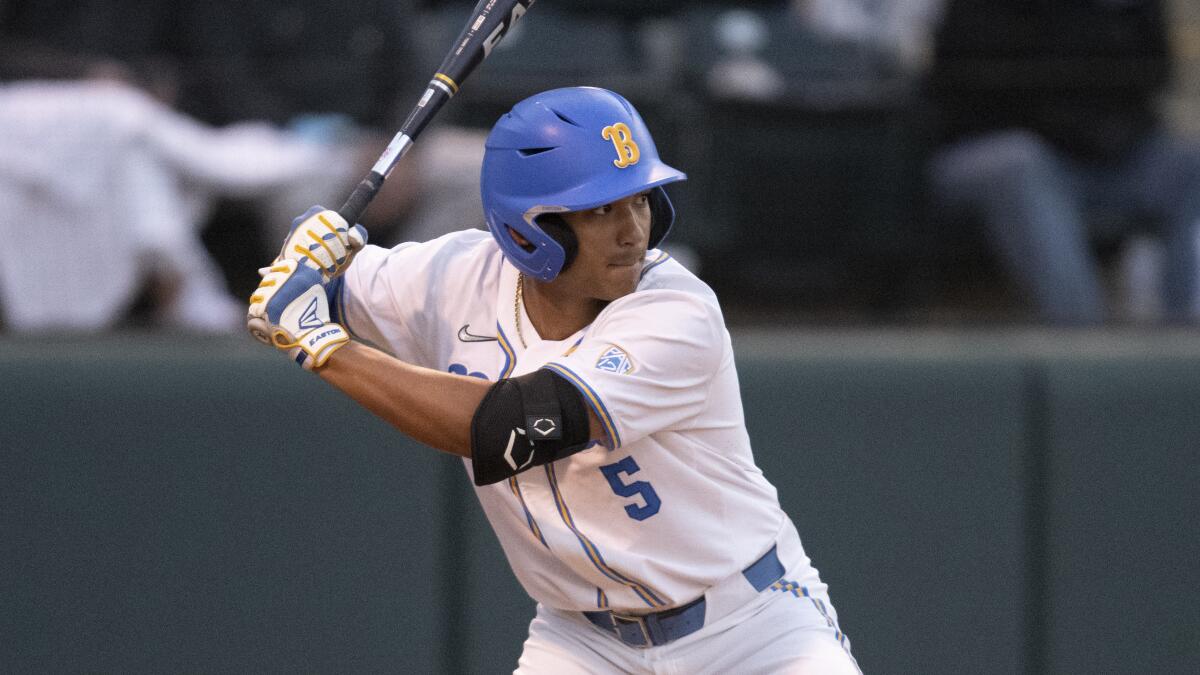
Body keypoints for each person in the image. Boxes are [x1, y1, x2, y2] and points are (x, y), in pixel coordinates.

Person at [245, 87, 860, 673]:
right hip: (583, 643)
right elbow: (313, 276)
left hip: (749, 629)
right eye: (599, 210)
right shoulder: (451, 275)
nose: (631, 231)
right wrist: (308, 245)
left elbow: (511, 427)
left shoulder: (676, 311)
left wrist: (327, 350)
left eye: (640, 199)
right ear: (526, 228)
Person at [926, 0, 1200, 325]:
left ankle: (1185, 340)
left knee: (1188, 161)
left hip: (1103, 158)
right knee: (1021, 160)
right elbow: (967, 86)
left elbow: (1152, 75)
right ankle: (1083, 344)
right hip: (987, 153)